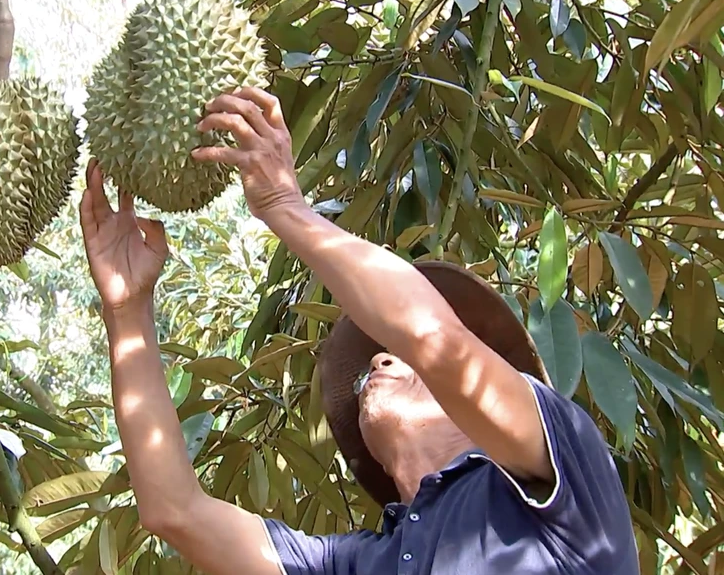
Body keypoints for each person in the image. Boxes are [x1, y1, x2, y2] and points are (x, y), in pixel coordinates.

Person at [79, 86, 640, 574]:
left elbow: (439, 344)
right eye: (380, 358)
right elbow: (174, 510)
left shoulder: (567, 476)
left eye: (400, 359)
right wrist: (127, 308)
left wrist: (284, 206)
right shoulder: (360, 563)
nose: (380, 361)